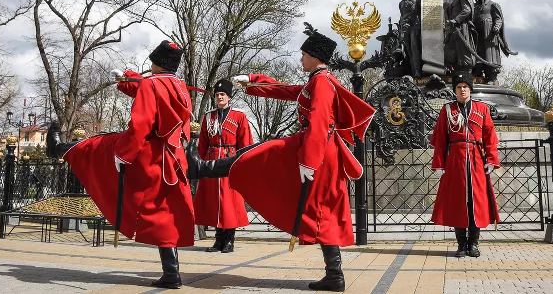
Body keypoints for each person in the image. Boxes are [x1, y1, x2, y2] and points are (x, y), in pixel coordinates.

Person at [187, 28, 375, 292]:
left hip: (316, 151)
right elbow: (287, 90)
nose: (300, 59)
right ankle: (334, 275)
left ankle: (203, 168)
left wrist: (308, 161)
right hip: (318, 150)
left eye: (303, 55)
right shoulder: (318, 80)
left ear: (314, 56)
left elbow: (320, 123)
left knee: (262, 156)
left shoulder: (321, 82)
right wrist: (253, 81)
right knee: (320, 211)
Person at [47, 40, 193, 289]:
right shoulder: (179, 86)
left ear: (157, 62)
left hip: (149, 154)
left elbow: (141, 123)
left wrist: (123, 155)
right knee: (164, 215)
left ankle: (60, 149)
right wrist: (127, 79)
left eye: (152, 62)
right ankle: (172, 274)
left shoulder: (152, 83)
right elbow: (154, 93)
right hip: (173, 157)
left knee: (99, 146)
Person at [430, 71, 500, 257]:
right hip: (455, 161)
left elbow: (490, 136)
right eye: (459, 87)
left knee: (475, 202)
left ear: (470, 89)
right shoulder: (447, 110)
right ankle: (461, 244)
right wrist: (439, 163)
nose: (462, 90)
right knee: (458, 202)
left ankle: (474, 243)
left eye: (465, 87)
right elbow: (440, 139)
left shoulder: (482, 109)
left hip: (476, 160)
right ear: (455, 90)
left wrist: (492, 159)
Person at [194, 78, 254, 253]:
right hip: (212, 161)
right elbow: (203, 143)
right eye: (217, 95)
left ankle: (229, 240)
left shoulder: (239, 116)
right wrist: (199, 163)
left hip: (230, 161)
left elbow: (245, 144)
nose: (219, 97)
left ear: (229, 97)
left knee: (229, 203)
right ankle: (218, 240)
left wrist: (244, 165)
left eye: (223, 94)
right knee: (214, 202)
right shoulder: (209, 116)